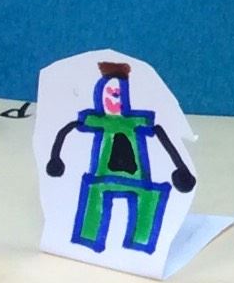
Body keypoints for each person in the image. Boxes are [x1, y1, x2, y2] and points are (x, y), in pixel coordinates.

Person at [45, 61, 195, 254]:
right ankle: (88, 239)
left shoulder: (137, 121)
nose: (113, 101)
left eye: (117, 95)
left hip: (138, 179)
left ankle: (140, 243)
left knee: (150, 198)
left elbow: (160, 134)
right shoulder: (99, 120)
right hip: (103, 177)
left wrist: (180, 167)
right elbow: (69, 128)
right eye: (108, 95)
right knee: (93, 193)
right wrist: (55, 157)